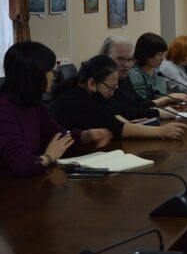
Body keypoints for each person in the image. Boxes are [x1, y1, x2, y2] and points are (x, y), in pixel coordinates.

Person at [0, 42, 111, 177]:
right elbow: (22, 164)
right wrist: (49, 156)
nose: (54, 75)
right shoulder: (4, 109)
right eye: (50, 70)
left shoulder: (32, 103)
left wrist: (86, 135)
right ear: (34, 74)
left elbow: (58, 134)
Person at [49, 55, 187, 140]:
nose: (113, 92)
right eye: (110, 87)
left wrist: (128, 122)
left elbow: (119, 110)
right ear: (92, 83)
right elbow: (119, 128)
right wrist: (161, 131)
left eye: (115, 87)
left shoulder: (87, 89)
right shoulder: (77, 100)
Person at [99, 36, 177, 121]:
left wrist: (160, 106)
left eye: (129, 59)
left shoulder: (123, 77)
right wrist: (157, 112)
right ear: (104, 57)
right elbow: (123, 111)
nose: (126, 65)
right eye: (120, 59)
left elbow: (138, 103)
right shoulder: (101, 82)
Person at [128, 33, 187, 104]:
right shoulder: (135, 74)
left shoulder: (157, 72)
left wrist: (174, 98)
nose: (163, 59)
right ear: (146, 54)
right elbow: (142, 105)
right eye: (159, 55)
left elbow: (161, 97)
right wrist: (168, 98)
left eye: (164, 54)